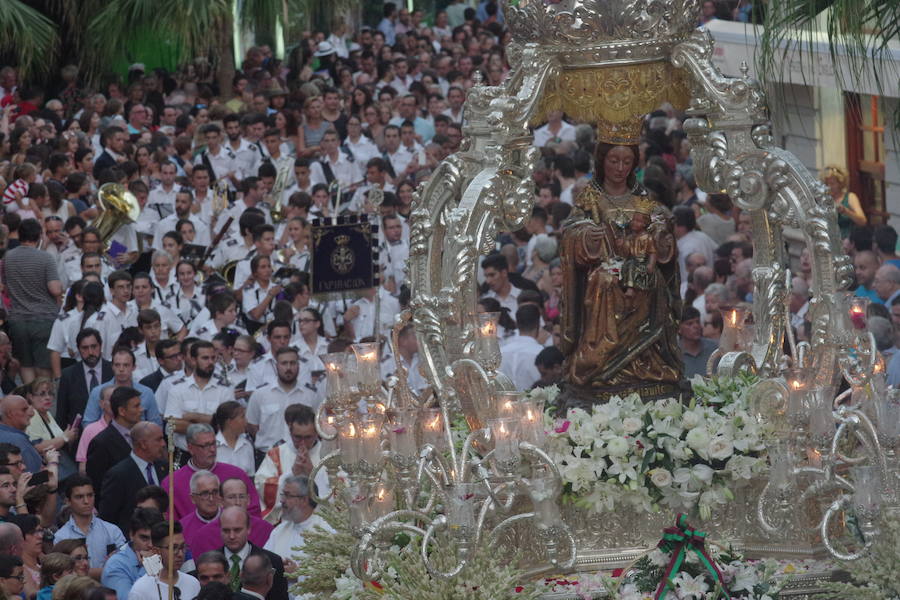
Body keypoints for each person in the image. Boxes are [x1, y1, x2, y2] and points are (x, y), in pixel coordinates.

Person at [558, 126, 682, 405]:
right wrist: (590, 235)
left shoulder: (643, 201)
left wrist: (660, 230)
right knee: (604, 280)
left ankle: (646, 363)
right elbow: (571, 233)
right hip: (607, 269)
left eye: (626, 162)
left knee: (653, 282)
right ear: (602, 161)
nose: (620, 168)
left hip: (640, 268)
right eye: (614, 161)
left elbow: (661, 228)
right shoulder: (591, 200)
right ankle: (598, 359)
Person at [2, 218, 64, 383]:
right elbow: (55, 289)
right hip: (43, 319)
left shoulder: (8, 257)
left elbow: (7, 288)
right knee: (43, 367)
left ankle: (30, 401)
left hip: (18, 320)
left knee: (25, 364)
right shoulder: (46, 258)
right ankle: (43, 402)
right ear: (39, 236)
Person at [161, 424, 261, 521]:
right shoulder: (172, 483)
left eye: (214, 444)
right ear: (190, 448)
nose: (213, 450)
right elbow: (172, 525)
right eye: (206, 445)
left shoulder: (237, 474)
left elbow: (254, 511)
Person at [255, 404, 329, 521]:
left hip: (320, 520)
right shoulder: (276, 454)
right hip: (287, 519)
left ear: (317, 433)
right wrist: (292, 473)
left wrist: (313, 474)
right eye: (298, 437)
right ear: (290, 433)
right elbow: (261, 485)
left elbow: (339, 488)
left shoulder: (328, 454)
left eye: (308, 437)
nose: (302, 443)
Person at [98, 422, 168, 533]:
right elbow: (107, 517)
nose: (163, 444)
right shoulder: (118, 475)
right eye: (158, 440)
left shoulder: (164, 467)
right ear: (143, 444)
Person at [54, 475, 126, 578]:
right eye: (79, 497)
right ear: (68, 501)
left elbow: (124, 566)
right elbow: (63, 573)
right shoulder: (61, 537)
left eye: (90, 495)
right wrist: (108, 570)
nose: (86, 501)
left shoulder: (112, 530)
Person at [263, 476, 333, 573]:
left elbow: (332, 571)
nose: (282, 500)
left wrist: (299, 572)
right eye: (283, 495)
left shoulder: (326, 531)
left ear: (304, 500)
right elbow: (263, 562)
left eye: (287, 495)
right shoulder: (279, 531)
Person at [217, 507, 287, 600]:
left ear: (249, 529)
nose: (232, 536)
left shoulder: (273, 561)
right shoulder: (209, 563)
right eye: (226, 530)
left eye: (237, 530)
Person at [86, 386, 143, 492]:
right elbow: (97, 485)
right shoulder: (101, 443)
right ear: (122, 411)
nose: (141, 410)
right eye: (136, 406)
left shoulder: (142, 435)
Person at [101, 507, 164, 600]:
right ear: (131, 535)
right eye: (144, 538)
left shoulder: (165, 555)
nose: (151, 545)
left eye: (155, 538)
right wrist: (147, 567)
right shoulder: (115, 565)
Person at [127, 521, 200, 600]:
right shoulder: (140, 590)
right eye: (173, 548)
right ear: (156, 551)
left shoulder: (193, 584)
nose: (180, 554)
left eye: (182, 547)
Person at [55, 328, 112, 429]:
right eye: (85, 348)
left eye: (94, 346)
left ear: (100, 345)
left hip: (111, 433)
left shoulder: (113, 370)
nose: (90, 352)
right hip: (79, 437)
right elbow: (61, 414)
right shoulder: (68, 375)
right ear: (78, 349)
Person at [499, 305, 543, 391]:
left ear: (517, 324)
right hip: (533, 404)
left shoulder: (501, 351)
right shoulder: (541, 352)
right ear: (538, 324)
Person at [0, 395, 43, 472]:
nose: (30, 413)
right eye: (24, 409)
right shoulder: (17, 440)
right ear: (10, 414)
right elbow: (35, 476)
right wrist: (52, 463)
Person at [679, 306, 718, 379]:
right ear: (679, 329)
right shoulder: (674, 353)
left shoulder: (714, 349)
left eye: (697, 322)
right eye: (689, 324)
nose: (696, 326)